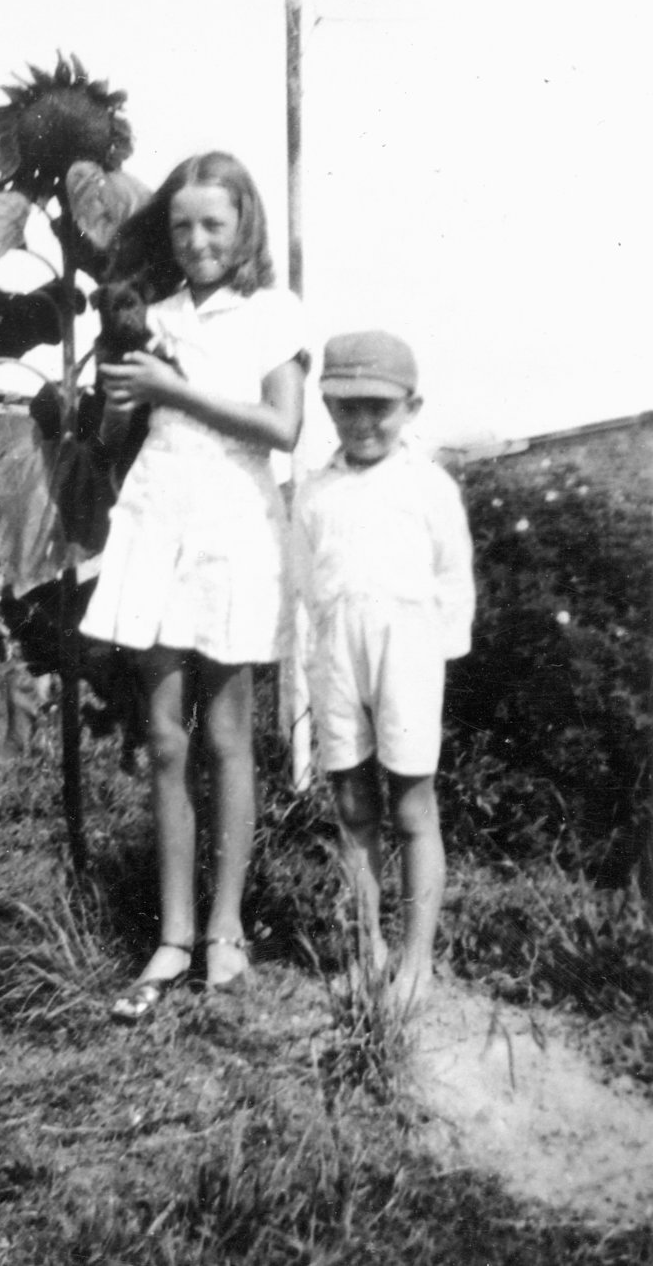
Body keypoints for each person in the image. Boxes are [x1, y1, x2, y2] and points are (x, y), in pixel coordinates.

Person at [81, 151, 307, 1020]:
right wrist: (121, 399)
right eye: (181, 226)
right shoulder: (156, 315)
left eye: (214, 223)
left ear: (245, 224)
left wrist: (173, 387)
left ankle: (225, 929)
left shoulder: (272, 313)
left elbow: (283, 426)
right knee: (166, 737)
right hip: (158, 520)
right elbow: (118, 438)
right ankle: (172, 935)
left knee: (226, 733)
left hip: (233, 527)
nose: (197, 240)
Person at [291, 331, 475, 1013]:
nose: (363, 422)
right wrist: (315, 658)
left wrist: (431, 662)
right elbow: (304, 583)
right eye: (347, 407)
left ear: (411, 408)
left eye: (380, 407)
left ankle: (416, 961)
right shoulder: (314, 492)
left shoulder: (429, 487)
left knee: (411, 806)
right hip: (337, 653)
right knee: (352, 806)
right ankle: (365, 949)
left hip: (408, 653)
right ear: (327, 408)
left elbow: (453, 579)